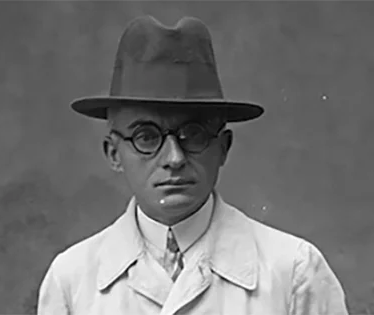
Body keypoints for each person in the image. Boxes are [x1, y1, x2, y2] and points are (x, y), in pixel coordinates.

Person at [37, 15, 349, 315]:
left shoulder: (294, 271)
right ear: (113, 153)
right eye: (146, 137)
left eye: (194, 134)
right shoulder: (72, 279)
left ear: (223, 148)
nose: (174, 158)